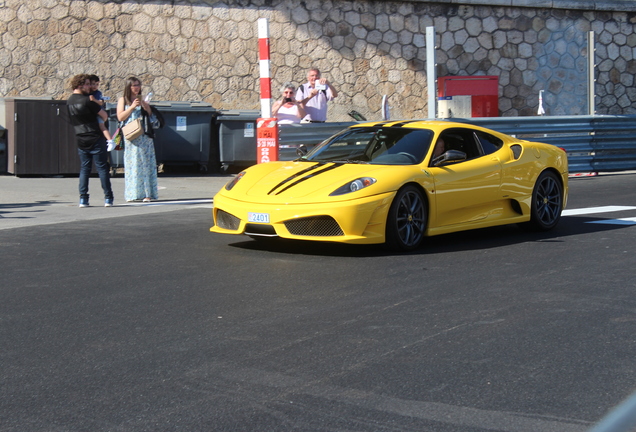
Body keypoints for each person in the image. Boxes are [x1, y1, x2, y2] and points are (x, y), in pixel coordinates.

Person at [66, 74, 114, 207]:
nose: (89, 87)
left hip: (80, 138)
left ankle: (83, 199)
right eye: (87, 84)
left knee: (85, 169)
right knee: (102, 168)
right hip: (95, 137)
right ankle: (108, 198)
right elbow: (104, 116)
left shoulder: (69, 101)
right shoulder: (87, 101)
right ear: (80, 85)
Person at [116, 77, 158, 202]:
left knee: (146, 163)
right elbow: (120, 117)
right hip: (131, 135)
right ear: (128, 87)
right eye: (134, 85)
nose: (137, 88)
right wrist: (132, 107)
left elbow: (151, 117)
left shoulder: (143, 99)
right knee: (133, 164)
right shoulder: (123, 100)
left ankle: (147, 194)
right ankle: (132, 193)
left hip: (144, 135)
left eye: (138, 85)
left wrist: (147, 107)